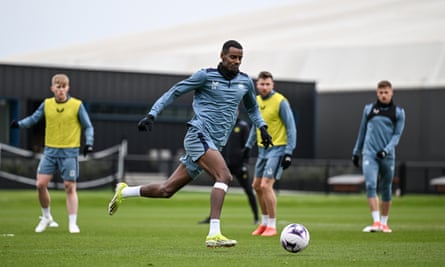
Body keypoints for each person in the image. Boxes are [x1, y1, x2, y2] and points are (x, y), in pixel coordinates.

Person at [107, 40, 273, 248]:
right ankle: (214, 233)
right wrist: (152, 114)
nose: (237, 61)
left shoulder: (245, 82)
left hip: (215, 144)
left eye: (240, 58)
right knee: (224, 176)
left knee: (166, 190)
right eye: (233, 57)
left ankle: (124, 191)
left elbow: (253, 109)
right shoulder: (205, 76)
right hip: (198, 135)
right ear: (222, 56)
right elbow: (175, 91)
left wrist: (263, 127)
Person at [10, 73, 94, 233]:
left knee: (69, 186)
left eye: (63, 87)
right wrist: (19, 125)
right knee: (40, 184)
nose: (61, 90)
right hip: (50, 151)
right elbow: (34, 118)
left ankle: (72, 223)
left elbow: (88, 126)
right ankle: (46, 216)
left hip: (70, 151)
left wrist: (89, 143)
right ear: (52, 88)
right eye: (58, 87)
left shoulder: (77, 105)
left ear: (67, 88)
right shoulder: (47, 104)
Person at [246, 71, 297, 237]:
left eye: (268, 84)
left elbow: (291, 127)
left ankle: (273, 226)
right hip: (262, 150)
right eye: (262, 84)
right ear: (257, 85)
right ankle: (264, 223)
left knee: (266, 185)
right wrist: (248, 146)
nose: (265, 87)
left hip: (278, 149)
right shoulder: (257, 101)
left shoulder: (280, 101)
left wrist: (289, 152)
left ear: (272, 85)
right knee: (256, 186)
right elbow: (256, 126)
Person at [352, 80, 405, 233]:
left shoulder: (398, 112)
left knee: (386, 187)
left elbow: (397, 135)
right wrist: (356, 152)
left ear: (391, 92)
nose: (383, 95)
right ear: (377, 93)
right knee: (370, 185)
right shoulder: (369, 109)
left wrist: (386, 150)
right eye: (381, 92)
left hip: (387, 156)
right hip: (369, 153)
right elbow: (362, 131)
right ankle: (375, 221)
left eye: (386, 92)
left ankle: (384, 222)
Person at [198, 114, 259, 225]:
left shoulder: (243, 126)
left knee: (249, 191)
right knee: (219, 189)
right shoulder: (223, 125)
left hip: (239, 166)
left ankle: (256, 217)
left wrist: (245, 163)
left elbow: (248, 145)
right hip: (225, 166)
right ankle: (212, 217)